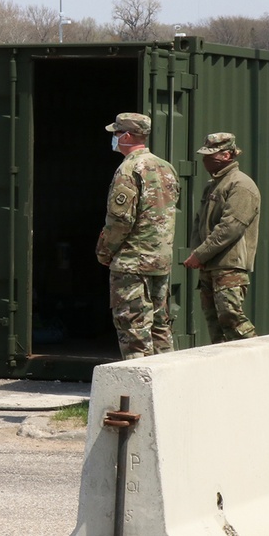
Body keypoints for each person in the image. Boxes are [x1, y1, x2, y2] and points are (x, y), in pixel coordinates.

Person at [96, 113, 180, 359]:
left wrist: (104, 251)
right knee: (159, 327)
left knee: (133, 328)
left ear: (128, 135)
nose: (114, 138)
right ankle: (169, 384)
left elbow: (120, 220)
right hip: (159, 261)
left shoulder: (128, 169)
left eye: (116, 133)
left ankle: (138, 390)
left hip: (132, 263)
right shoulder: (167, 167)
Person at [182, 133, 261, 343]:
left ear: (227, 155)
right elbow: (199, 222)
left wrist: (200, 254)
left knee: (231, 317)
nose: (206, 160)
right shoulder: (214, 185)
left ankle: (258, 358)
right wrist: (198, 253)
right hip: (210, 265)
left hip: (229, 265)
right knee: (215, 323)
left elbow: (230, 227)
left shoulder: (241, 185)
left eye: (211, 155)